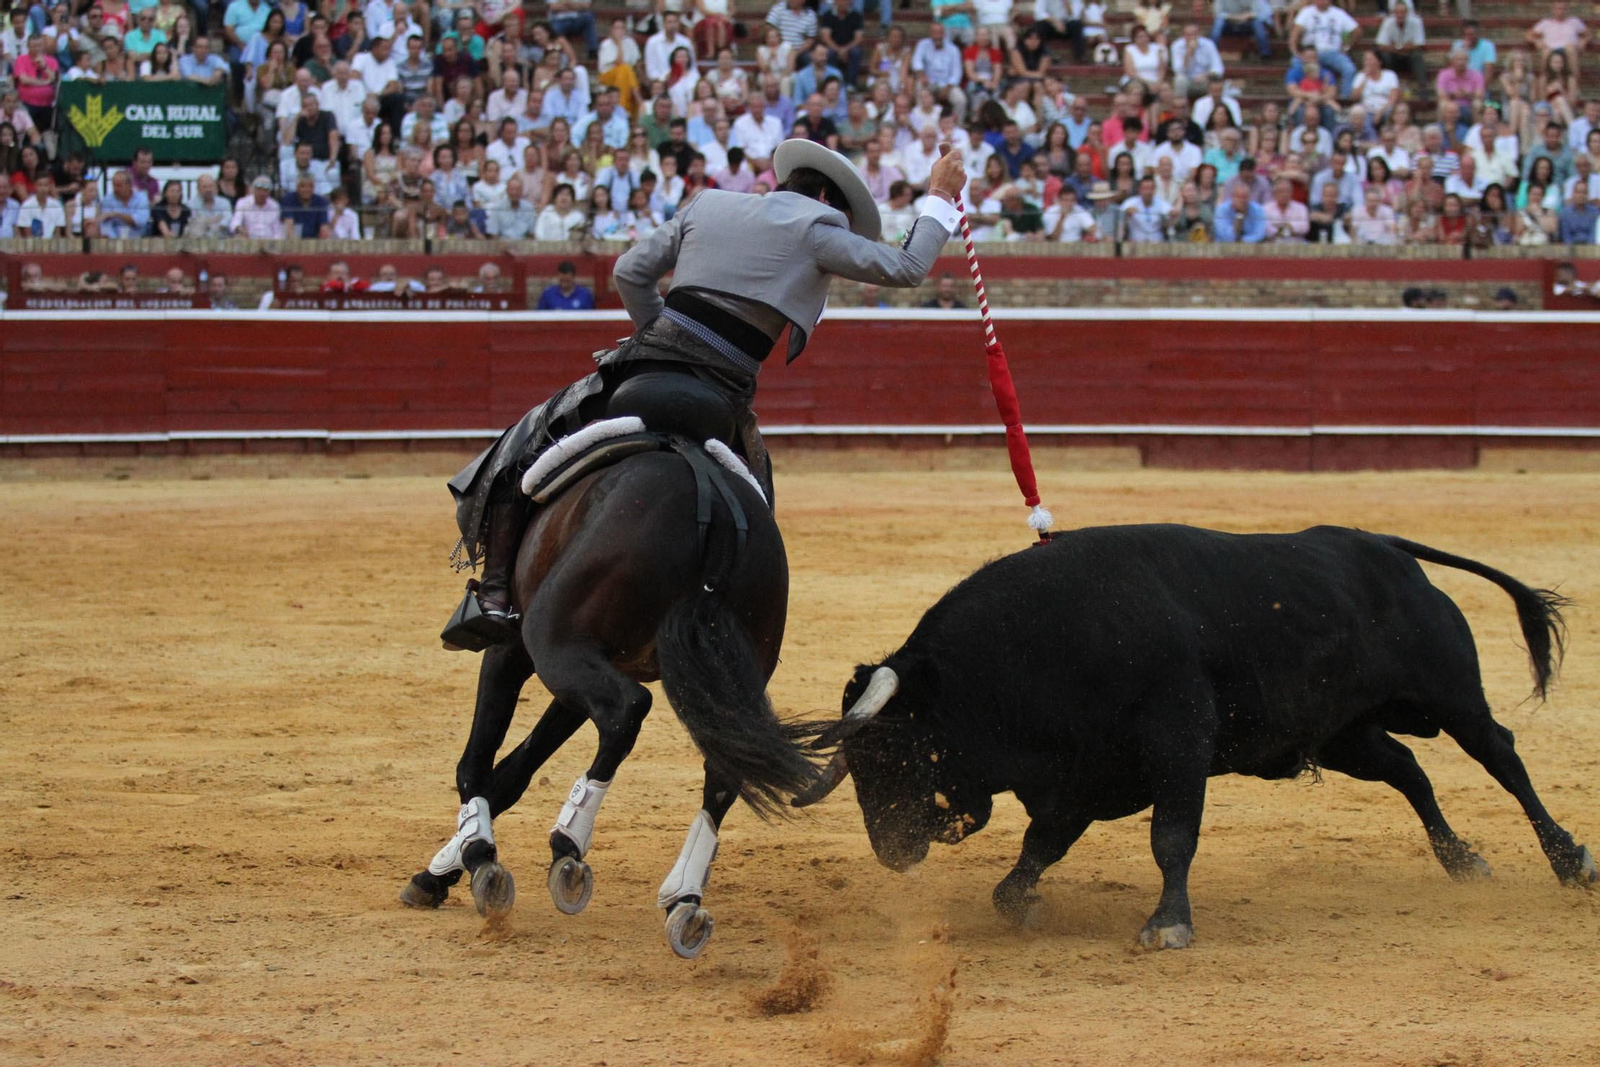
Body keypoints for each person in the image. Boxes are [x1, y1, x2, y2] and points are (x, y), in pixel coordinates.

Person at [443, 138, 968, 637]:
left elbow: (630, 271)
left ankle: (492, 595)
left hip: (642, 367)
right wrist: (941, 196)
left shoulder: (708, 203)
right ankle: (732, 618)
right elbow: (907, 268)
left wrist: (659, 338)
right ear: (828, 198)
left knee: (524, 449)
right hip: (722, 395)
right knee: (758, 503)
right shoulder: (818, 228)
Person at [1290, 0, 1358, 99]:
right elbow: (1294, 35)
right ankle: (1302, 95)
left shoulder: (1339, 13)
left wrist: (1347, 48)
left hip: (1333, 53)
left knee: (1349, 69)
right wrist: (1296, 52)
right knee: (1296, 62)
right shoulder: (1306, 12)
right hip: (1311, 52)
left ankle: (1345, 99)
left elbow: (1357, 31)